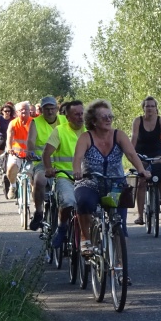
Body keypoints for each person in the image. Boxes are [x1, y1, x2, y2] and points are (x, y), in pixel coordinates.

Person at [73, 99, 150, 262]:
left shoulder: (118, 135)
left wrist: (142, 170)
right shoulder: (86, 137)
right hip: (90, 182)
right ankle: (86, 238)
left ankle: (121, 268)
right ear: (93, 121)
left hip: (115, 184)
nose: (109, 119)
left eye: (110, 116)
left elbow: (131, 154)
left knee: (120, 227)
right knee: (84, 202)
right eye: (104, 117)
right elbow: (78, 157)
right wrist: (77, 171)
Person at [43, 101, 86, 248]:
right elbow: (46, 153)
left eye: (82, 113)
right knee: (68, 201)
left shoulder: (89, 131)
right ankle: (62, 228)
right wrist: (49, 168)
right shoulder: (60, 131)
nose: (80, 117)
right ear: (67, 117)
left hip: (86, 177)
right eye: (76, 114)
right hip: (64, 176)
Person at [26, 96, 65, 230]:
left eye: (52, 108)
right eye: (46, 109)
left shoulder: (64, 120)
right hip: (42, 161)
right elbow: (31, 140)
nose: (49, 112)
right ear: (41, 110)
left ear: (57, 109)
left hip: (62, 162)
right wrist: (30, 152)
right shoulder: (36, 122)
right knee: (39, 180)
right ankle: (39, 211)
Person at [130, 96, 161, 226]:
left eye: (152, 106)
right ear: (143, 108)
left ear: (156, 108)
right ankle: (140, 215)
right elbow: (133, 138)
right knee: (142, 182)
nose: (150, 108)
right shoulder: (138, 121)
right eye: (147, 106)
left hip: (157, 153)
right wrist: (132, 154)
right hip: (141, 154)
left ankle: (160, 194)